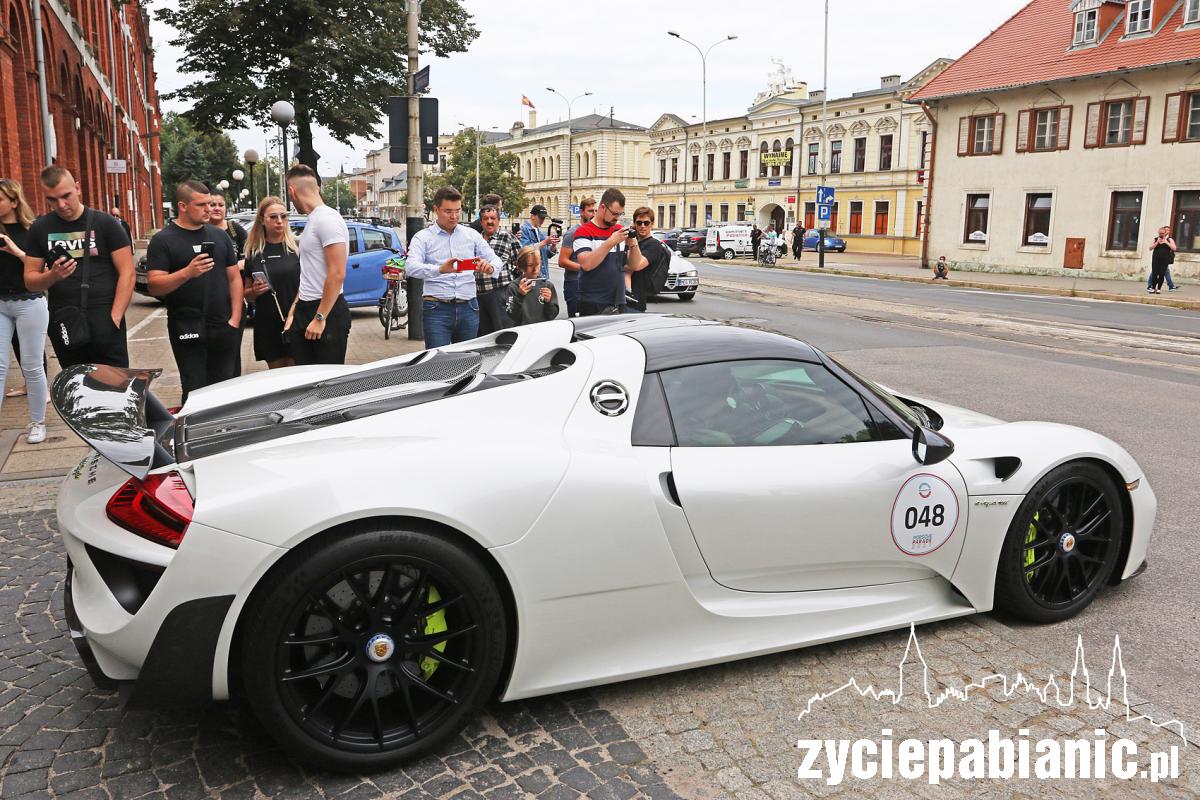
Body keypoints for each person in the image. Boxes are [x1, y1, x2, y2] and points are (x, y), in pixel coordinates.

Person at [23, 166, 134, 369]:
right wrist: (53, 275)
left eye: (66, 196)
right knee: (77, 389)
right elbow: (30, 281)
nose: (61, 204)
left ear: (77, 188)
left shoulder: (107, 224)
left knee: (116, 388)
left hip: (105, 316)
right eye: (52, 199)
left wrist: (115, 318)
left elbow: (127, 273)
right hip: (65, 320)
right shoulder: (40, 228)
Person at [145, 181, 242, 404]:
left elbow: (234, 278)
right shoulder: (163, 240)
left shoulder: (219, 236)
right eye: (202, 205)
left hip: (223, 326)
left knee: (227, 387)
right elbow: (155, 285)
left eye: (210, 204)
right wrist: (187, 272)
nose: (209, 209)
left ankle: (224, 434)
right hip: (186, 326)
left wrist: (235, 318)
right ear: (183, 206)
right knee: (195, 387)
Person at [405, 185, 504, 347]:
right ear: (436, 209)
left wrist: (490, 267)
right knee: (438, 361)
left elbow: (496, 260)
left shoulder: (471, 235)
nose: (454, 216)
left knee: (466, 361)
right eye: (448, 211)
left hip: (469, 306)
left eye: (457, 211)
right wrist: (439, 269)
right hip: (437, 308)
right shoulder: (423, 237)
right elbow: (410, 267)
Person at [284, 164, 351, 365]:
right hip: (307, 308)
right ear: (318, 187)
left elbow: (337, 273)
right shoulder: (313, 220)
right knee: (305, 382)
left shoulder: (327, 219)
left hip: (325, 311)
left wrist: (320, 318)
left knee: (326, 386)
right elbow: (310, 273)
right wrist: (293, 311)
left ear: (291, 190)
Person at [0, 178, 48, 444]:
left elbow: (39, 271)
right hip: (0, 304)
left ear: (14, 202)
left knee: (32, 366)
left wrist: (16, 251)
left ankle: (38, 423)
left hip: (30, 302)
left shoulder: (33, 230)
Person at [242, 197, 300, 369]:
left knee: (297, 374)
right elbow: (247, 294)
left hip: (295, 319)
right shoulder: (253, 252)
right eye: (273, 217)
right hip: (267, 322)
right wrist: (255, 291)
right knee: (277, 378)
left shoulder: (297, 248)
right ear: (262, 220)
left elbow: (309, 285)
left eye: (283, 216)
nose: (279, 221)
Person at [573, 188, 648, 316]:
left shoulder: (619, 230)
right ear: (603, 207)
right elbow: (586, 264)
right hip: (592, 302)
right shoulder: (584, 232)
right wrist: (610, 242)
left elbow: (634, 265)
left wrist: (633, 244)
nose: (617, 218)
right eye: (614, 213)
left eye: (620, 214)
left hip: (618, 301)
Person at [476, 204, 517, 335]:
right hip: (478, 294)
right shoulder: (475, 239)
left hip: (500, 293)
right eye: (486, 218)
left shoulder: (507, 237)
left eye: (493, 218)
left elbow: (521, 261)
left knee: (503, 333)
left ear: (498, 220)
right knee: (483, 335)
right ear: (481, 221)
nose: (489, 221)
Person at [627, 207, 671, 312]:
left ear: (652, 224)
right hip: (621, 299)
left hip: (636, 301)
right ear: (634, 223)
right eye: (639, 223)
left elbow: (637, 266)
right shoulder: (631, 241)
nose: (642, 226)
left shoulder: (654, 245)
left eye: (646, 223)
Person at [558, 196, 596, 317]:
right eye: (590, 211)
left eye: (596, 211)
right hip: (575, 284)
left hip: (592, 284)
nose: (594, 214)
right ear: (581, 212)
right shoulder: (572, 233)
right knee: (578, 323)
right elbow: (562, 261)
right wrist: (585, 267)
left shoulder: (595, 232)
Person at [505, 245, 559, 325]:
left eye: (537, 264)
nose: (535, 269)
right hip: (523, 331)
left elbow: (552, 316)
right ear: (522, 266)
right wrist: (520, 296)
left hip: (543, 330)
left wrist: (548, 302)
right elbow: (512, 316)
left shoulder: (547, 285)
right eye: (530, 265)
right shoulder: (513, 287)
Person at [519, 204, 559, 281]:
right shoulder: (523, 229)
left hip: (543, 275)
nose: (542, 220)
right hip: (530, 275)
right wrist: (545, 242)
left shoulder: (540, 232)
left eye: (544, 218)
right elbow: (526, 250)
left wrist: (553, 245)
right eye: (540, 218)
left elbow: (547, 254)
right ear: (533, 216)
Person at [1147, 227, 1177, 295]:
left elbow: (1174, 248)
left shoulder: (1169, 240)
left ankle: (1159, 289)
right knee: (1154, 274)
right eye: (1160, 233)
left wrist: (1166, 242)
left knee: (1161, 274)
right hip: (1155, 259)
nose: (1161, 234)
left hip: (1165, 260)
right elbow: (1150, 248)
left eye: (1162, 233)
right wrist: (1157, 242)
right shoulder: (1155, 239)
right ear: (1158, 233)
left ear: (1165, 233)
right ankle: (1153, 288)